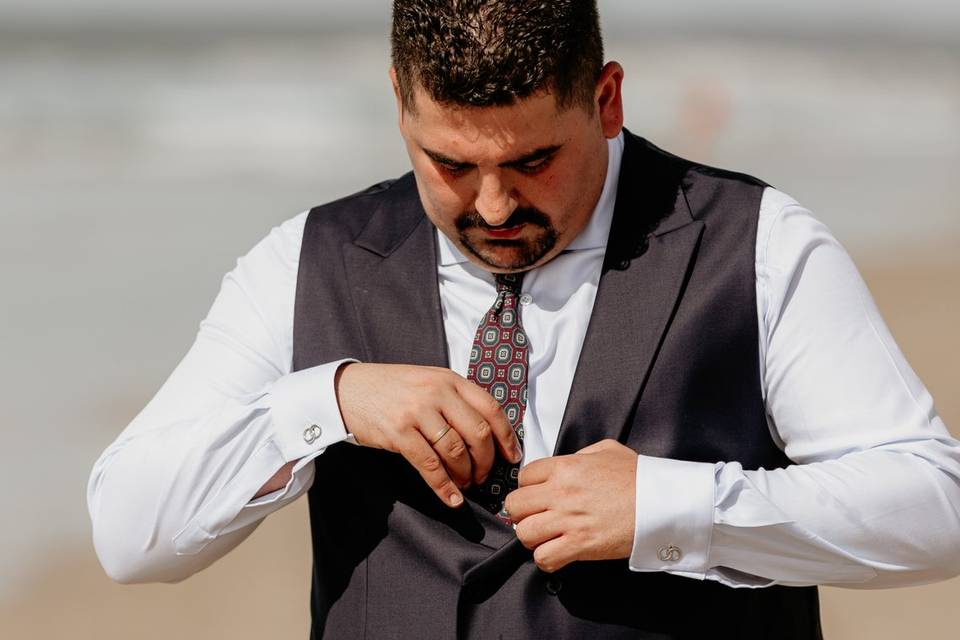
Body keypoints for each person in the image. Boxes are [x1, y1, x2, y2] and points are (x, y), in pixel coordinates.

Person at [87, 1, 960, 638]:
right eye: (452, 163)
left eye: (535, 159)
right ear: (399, 100)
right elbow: (130, 534)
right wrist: (326, 404)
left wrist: (677, 505)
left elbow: (934, 507)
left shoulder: (762, 245)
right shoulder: (303, 262)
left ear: (607, 100)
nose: (496, 204)